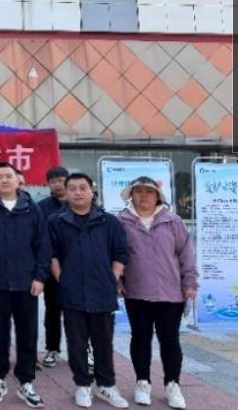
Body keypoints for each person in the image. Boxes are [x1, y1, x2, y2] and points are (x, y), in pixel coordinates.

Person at [48, 173, 130, 409]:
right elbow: (51, 254)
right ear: (66, 193)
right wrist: (61, 278)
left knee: (103, 342)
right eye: (72, 188)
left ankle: (106, 385)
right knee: (76, 343)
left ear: (91, 191)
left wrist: (112, 279)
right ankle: (82, 385)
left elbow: (120, 253)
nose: (78, 192)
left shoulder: (108, 221)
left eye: (82, 187)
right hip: (71, 291)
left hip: (102, 291)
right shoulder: (56, 221)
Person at [0, 162, 50, 408]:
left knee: (28, 334)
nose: (4, 180)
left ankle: (26, 381)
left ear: (18, 180)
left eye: (9, 176)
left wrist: (40, 277)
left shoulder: (32, 208)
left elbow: (43, 246)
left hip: (27, 284)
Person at [118, 177, 198, 409]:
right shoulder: (121, 222)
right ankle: (142, 383)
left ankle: (173, 385)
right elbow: (114, 253)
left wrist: (190, 283)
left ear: (158, 197)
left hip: (170, 294)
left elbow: (186, 255)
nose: (143, 195)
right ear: (131, 195)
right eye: (139, 191)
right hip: (136, 292)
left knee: (170, 341)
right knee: (140, 339)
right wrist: (118, 281)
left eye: (149, 192)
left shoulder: (173, 221)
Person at [37, 166, 69, 369]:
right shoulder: (42, 207)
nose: (58, 184)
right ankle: (52, 349)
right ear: (48, 184)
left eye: (61, 180)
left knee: (80, 313)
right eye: (53, 181)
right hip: (51, 269)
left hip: (77, 268)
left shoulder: (79, 203)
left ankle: (84, 350)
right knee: (52, 311)